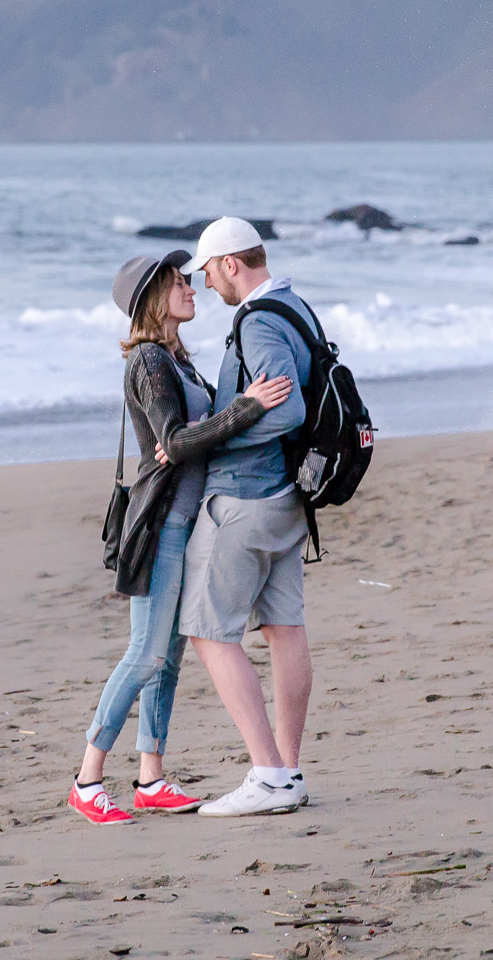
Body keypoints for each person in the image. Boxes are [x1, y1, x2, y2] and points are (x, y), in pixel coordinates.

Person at [69, 249, 293, 825]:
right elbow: (174, 440)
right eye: (176, 283)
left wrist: (199, 433)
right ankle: (88, 778)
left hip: (189, 521)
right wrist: (243, 410)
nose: (191, 288)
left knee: (168, 657)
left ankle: (151, 777)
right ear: (152, 300)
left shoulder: (178, 360)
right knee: (145, 654)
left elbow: (188, 440)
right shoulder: (147, 361)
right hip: (162, 523)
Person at [164, 217, 317, 817]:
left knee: (207, 632)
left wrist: (208, 440)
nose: (205, 284)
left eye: (207, 271)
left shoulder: (256, 321)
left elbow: (287, 410)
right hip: (286, 499)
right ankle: (288, 771)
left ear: (231, 263)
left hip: (245, 502)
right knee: (285, 630)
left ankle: (268, 773)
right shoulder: (294, 306)